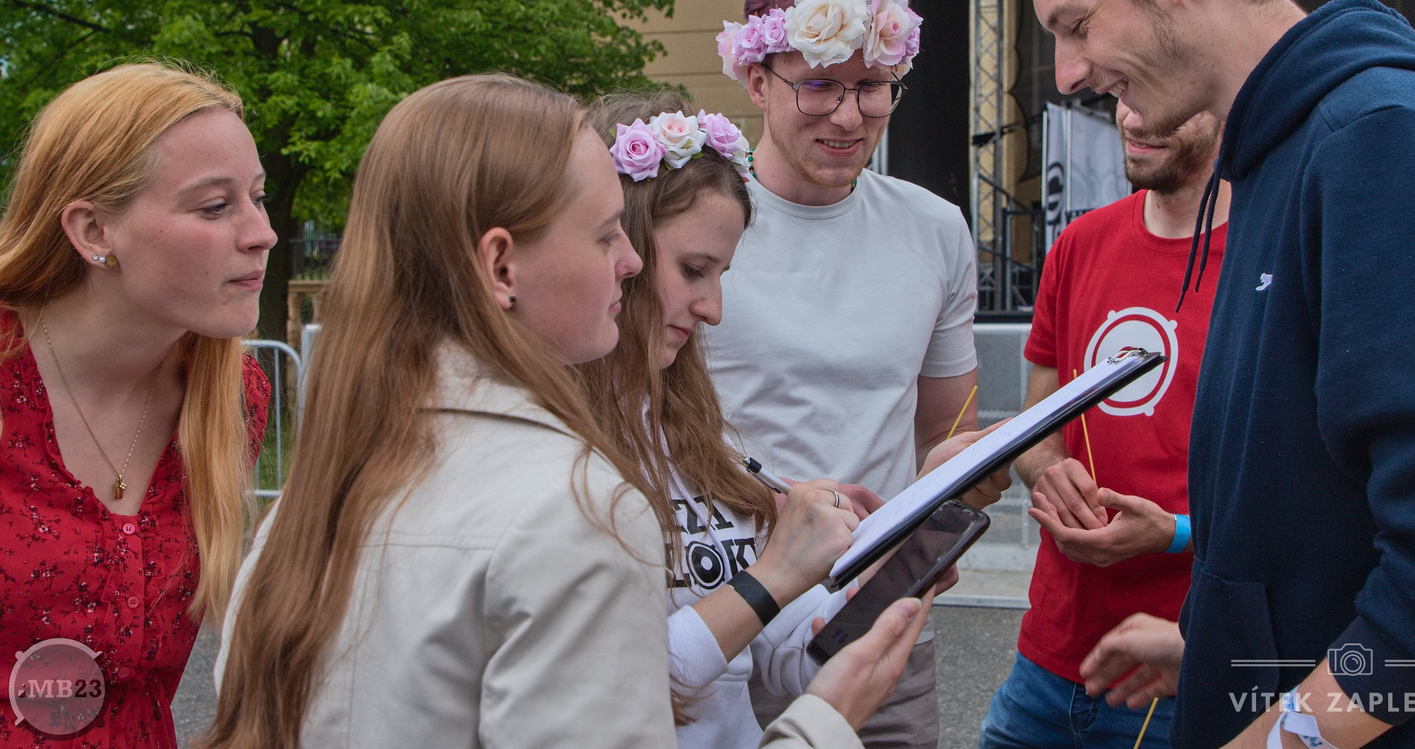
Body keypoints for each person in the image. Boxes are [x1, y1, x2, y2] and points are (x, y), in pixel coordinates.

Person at [207, 74, 936, 749]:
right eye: (608, 233)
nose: (629, 263)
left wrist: (849, 606)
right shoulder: (574, 503)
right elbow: (637, 682)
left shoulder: (312, 498)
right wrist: (818, 721)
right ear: (500, 266)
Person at [994, 0, 1415, 749]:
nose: (1067, 74)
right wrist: (1219, 648)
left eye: (1076, 24)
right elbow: (1320, 522)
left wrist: (1282, 735)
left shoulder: (1379, 138)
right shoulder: (1280, 154)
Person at [704, 0, 979, 749]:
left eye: (872, 87)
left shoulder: (935, 229)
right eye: (820, 84)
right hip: (719, 620)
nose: (850, 116)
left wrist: (948, 508)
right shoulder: (691, 225)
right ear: (758, 79)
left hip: (874, 621)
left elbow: (947, 433)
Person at [0, 62, 276, 747]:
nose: (262, 233)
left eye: (258, 198)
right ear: (94, 231)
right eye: (215, 207)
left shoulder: (232, 401)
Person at [581, 91, 859, 749]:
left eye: (721, 274)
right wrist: (774, 576)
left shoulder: (688, 431)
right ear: (616, 249)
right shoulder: (555, 449)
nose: (714, 309)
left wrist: (864, 590)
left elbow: (771, 653)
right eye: (693, 270)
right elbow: (619, 685)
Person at [978, 102, 1227, 749]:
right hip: (1047, 659)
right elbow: (1039, 418)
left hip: (1179, 670)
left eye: (1161, 95)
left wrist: (1174, 534)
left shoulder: (1272, 256)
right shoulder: (1079, 244)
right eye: (1125, 91)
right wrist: (1047, 468)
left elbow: (1306, 498)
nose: (1134, 117)